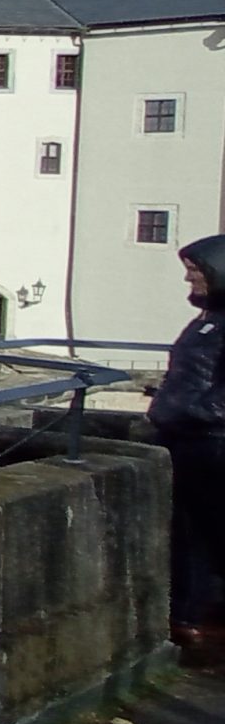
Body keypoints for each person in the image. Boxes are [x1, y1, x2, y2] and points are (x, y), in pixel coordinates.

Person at [151, 233, 225, 663]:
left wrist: (194, 410)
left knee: (211, 533)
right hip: (187, 442)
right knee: (188, 536)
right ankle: (189, 618)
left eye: (196, 271)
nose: (187, 278)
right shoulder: (207, 319)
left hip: (212, 444)